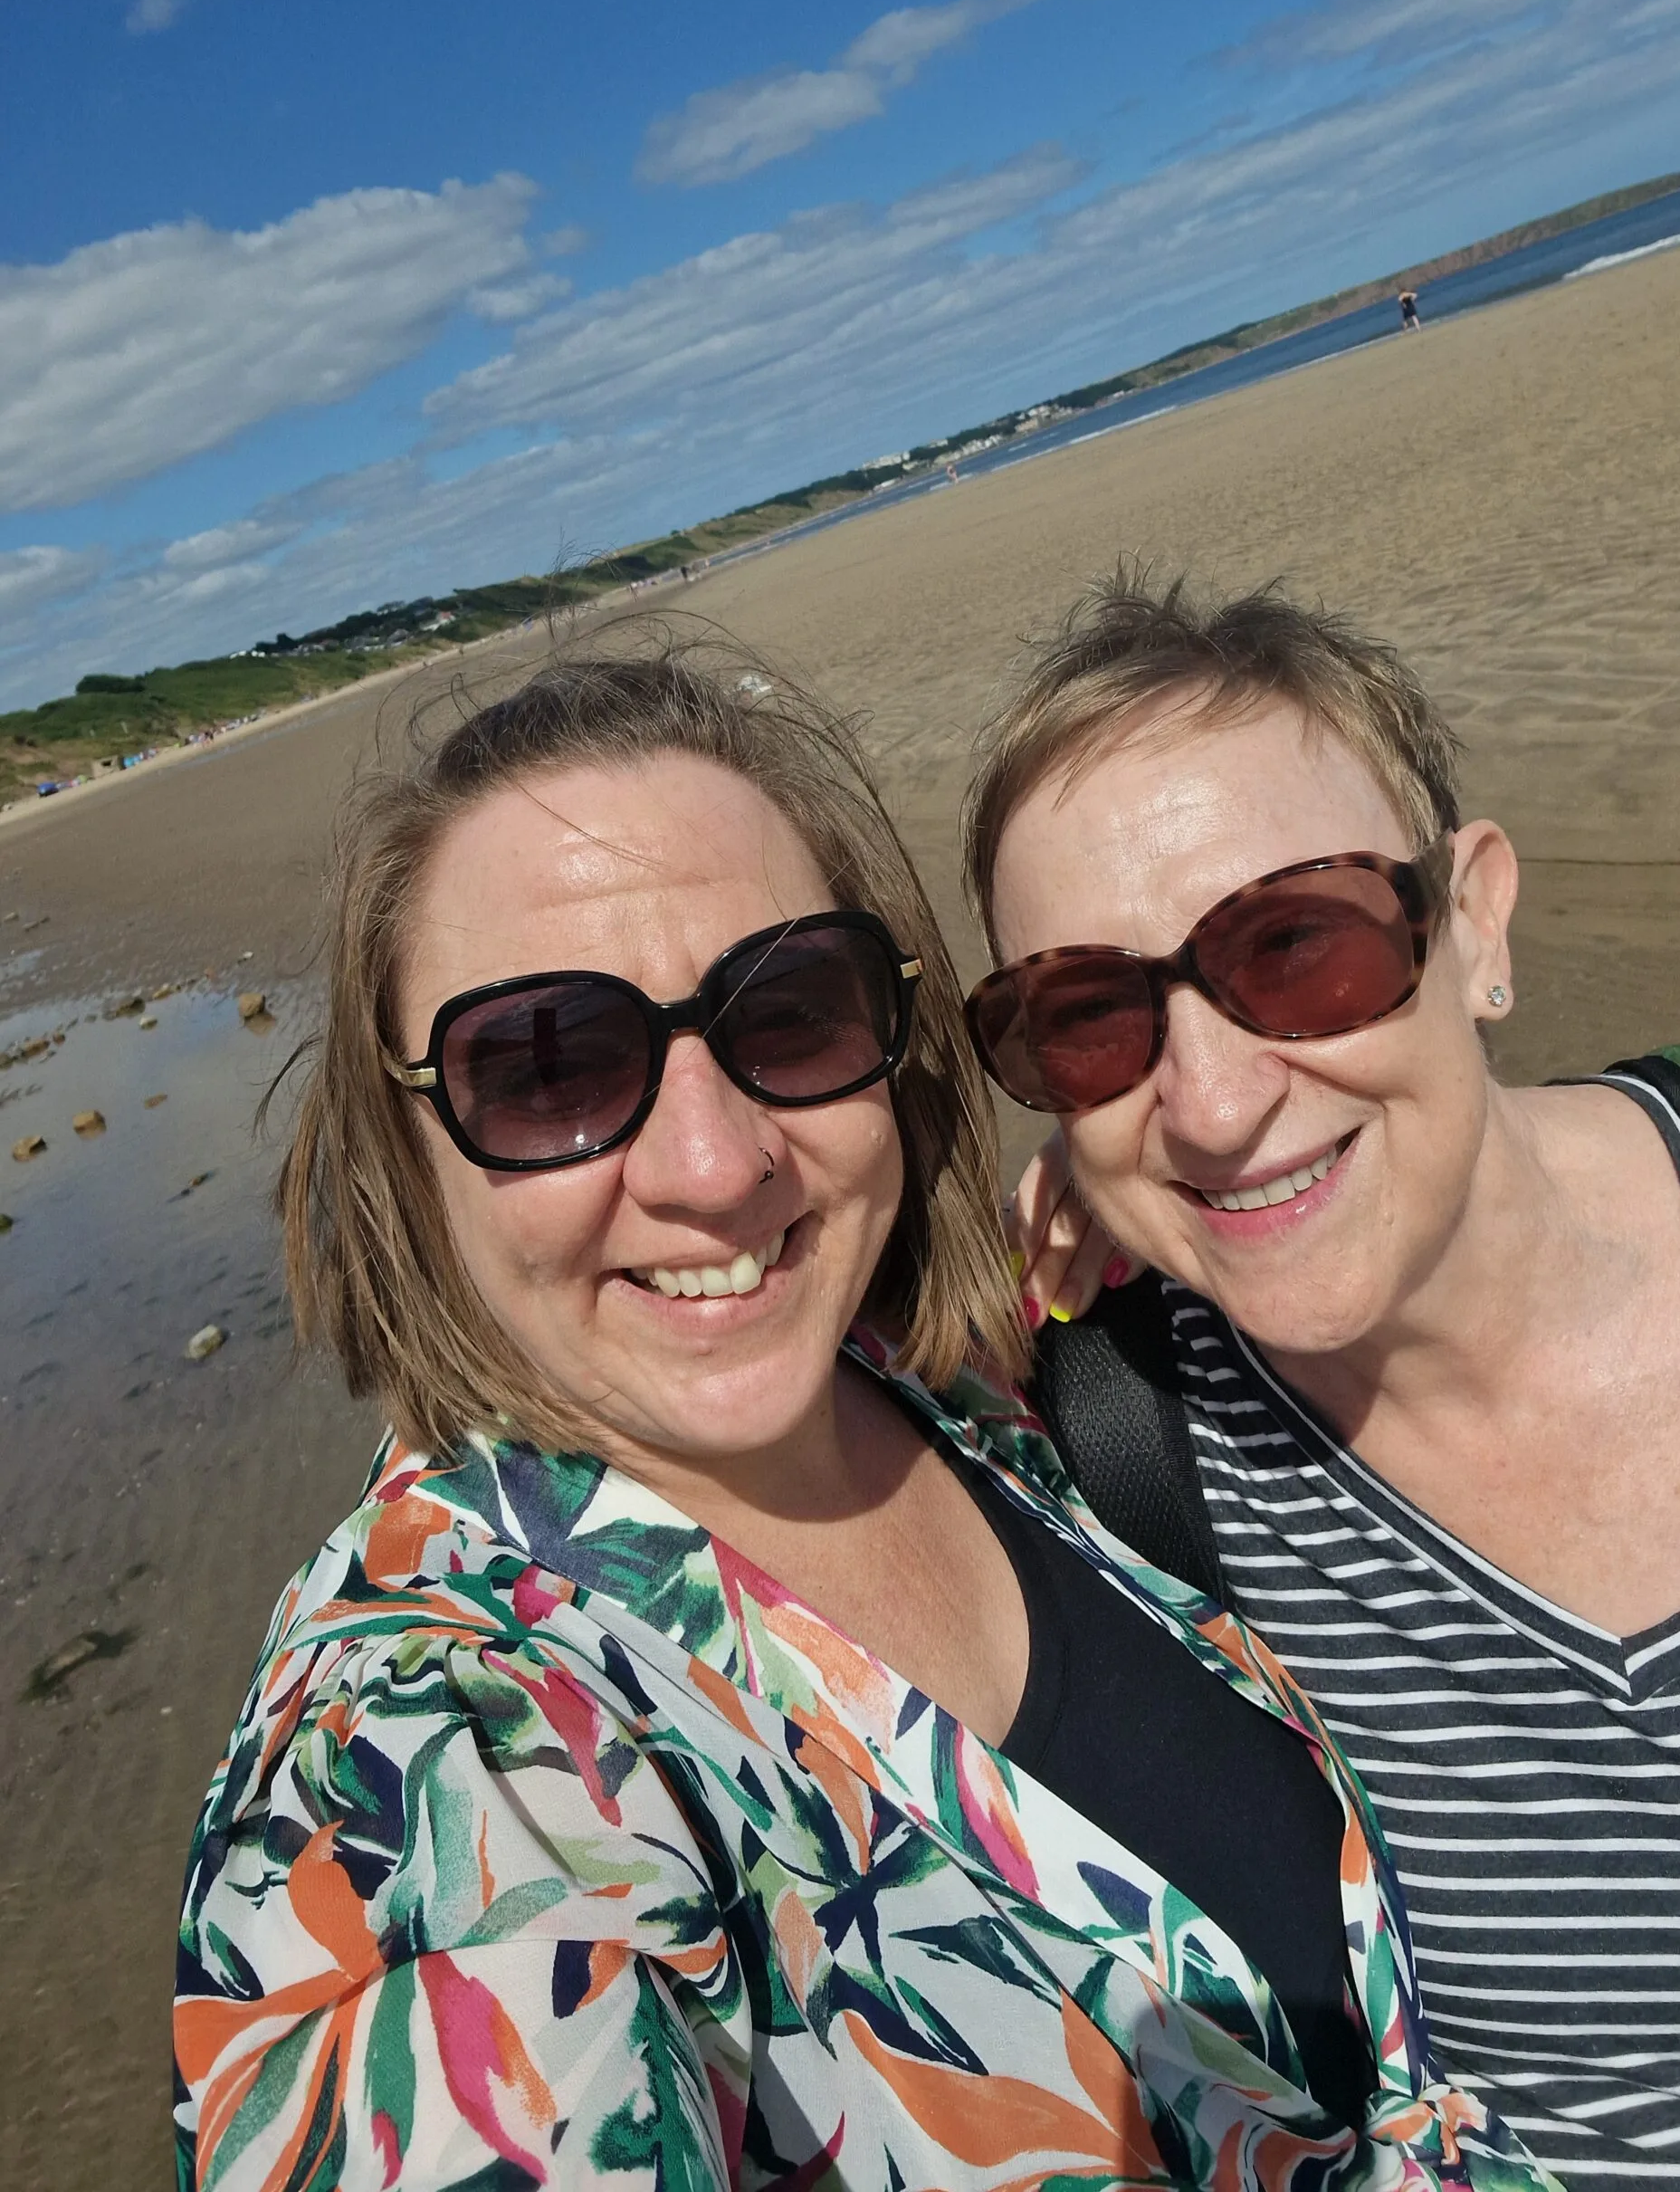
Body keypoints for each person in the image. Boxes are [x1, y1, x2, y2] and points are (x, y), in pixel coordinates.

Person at [174, 647, 1550, 2190]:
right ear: (402, 1145)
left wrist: (1149, 1197)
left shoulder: (938, 1382)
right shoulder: (432, 1751)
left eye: (791, 1014)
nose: (713, 1161)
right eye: (547, 1065)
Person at [970, 568, 1680, 2187]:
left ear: (1473, 922)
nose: (1214, 1099)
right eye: (1093, 1015)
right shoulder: (1124, 1427)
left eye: (1294, 945)